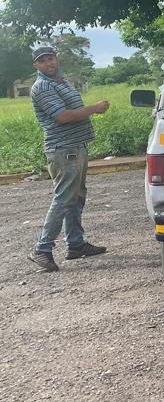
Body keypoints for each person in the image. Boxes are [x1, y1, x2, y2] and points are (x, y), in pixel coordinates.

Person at [28, 45, 110, 273]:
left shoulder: (60, 81)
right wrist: (94, 108)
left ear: (57, 59)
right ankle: (41, 249)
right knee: (64, 199)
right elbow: (62, 117)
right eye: (42, 61)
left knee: (76, 197)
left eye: (51, 58)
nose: (48, 63)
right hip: (63, 149)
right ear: (36, 66)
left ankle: (76, 244)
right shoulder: (42, 86)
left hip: (75, 146)